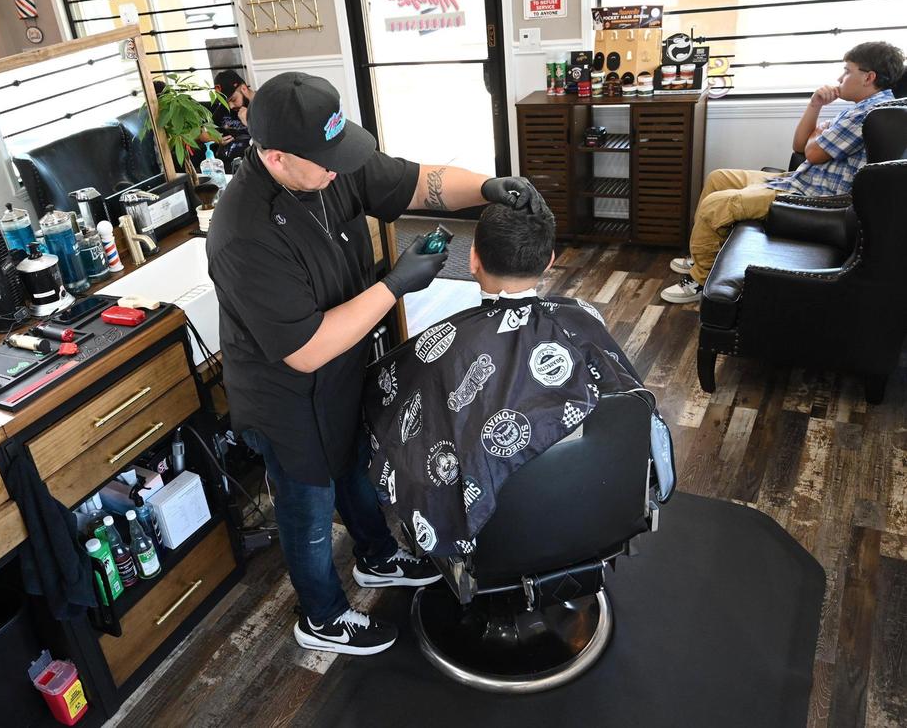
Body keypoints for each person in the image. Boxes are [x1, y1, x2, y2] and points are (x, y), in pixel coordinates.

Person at [206, 72, 541, 656]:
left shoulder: (328, 161)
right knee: (307, 501)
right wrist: (395, 285)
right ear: (277, 157)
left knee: (354, 461)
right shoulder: (243, 232)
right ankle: (321, 615)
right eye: (325, 161)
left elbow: (421, 184)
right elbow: (305, 347)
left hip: (346, 362)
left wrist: (489, 185)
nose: (339, 169)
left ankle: (377, 556)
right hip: (286, 390)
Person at [364, 200, 674, 556]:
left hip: (497, 539)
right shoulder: (582, 318)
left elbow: (394, 425)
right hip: (597, 510)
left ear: (473, 259)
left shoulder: (444, 348)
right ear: (549, 261)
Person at [661, 41, 905, 303]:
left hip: (813, 196)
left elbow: (812, 152)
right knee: (719, 177)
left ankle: (700, 279)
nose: (839, 78)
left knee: (715, 205)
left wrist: (818, 138)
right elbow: (800, 144)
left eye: (846, 71)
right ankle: (703, 253)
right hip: (800, 179)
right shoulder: (857, 109)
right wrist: (815, 105)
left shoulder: (869, 115)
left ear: (868, 77)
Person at [210, 68, 253, 167]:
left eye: (233, 99)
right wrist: (213, 138)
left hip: (252, 165)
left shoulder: (263, 104)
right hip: (225, 165)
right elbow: (201, 134)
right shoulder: (223, 109)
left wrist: (250, 122)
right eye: (225, 102)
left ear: (243, 88)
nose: (230, 106)